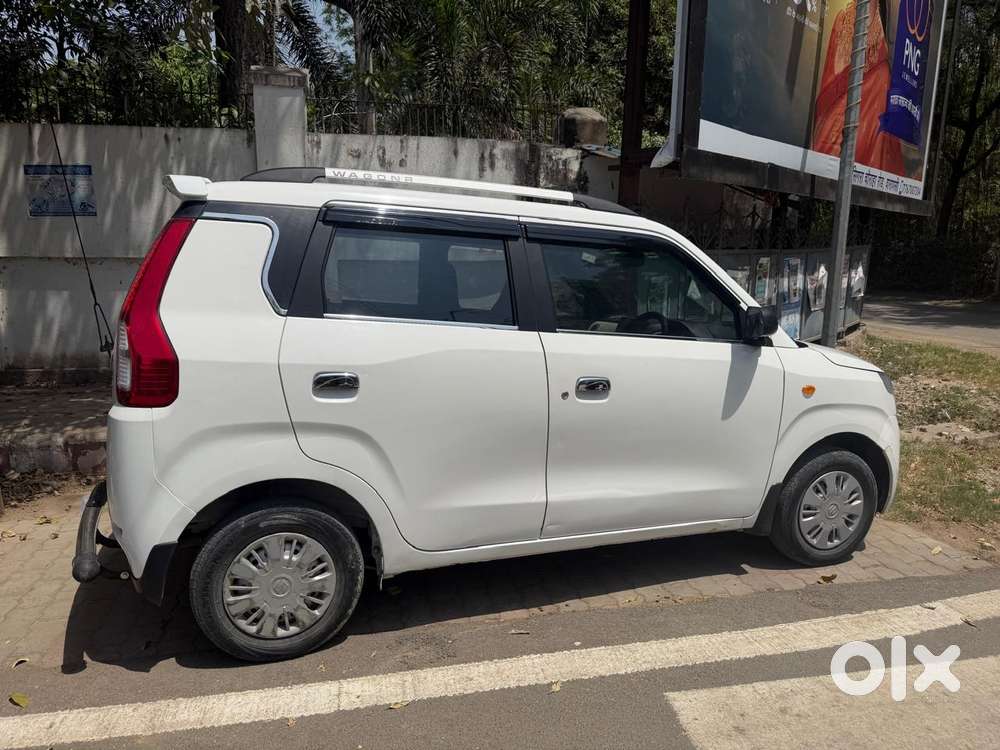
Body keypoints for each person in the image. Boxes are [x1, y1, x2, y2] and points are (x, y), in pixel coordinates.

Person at [811, 0, 904, 175]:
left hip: (868, 116)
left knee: (882, 77)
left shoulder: (882, 27)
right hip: (840, 106)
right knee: (880, 77)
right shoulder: (843, 19)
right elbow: (833, 75)